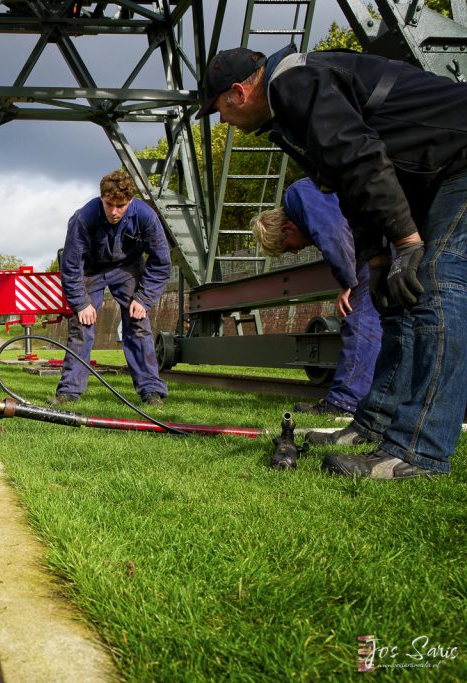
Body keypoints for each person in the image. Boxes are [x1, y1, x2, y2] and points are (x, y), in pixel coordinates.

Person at [197, 45, 467, 479]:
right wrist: (378, 261)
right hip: (435, 171)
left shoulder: (294, 83)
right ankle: (373, 424)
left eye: (217, 109)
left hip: (458, 161)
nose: (223, 121)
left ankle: (421, 451)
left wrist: (407, 239)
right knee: (393, 300)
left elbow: (362, 158)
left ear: (238, 92)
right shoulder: (290, 111)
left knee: (438, 279)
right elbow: (348, 185)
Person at [250, 178, 382, 417]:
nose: (296, 250)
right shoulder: (310, 196)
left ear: (287, 228)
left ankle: (345, 403)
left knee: (360, 321)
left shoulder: (297, 195)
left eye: (288, 247)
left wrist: (347, 283)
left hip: (385, 241)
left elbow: (333, 233)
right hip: (384, 239)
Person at [51, 168, 171, 406]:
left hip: (127, 267)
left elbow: (161, 262)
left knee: (138, 323)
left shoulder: (146, 217)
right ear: (101, 198)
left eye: (121, 206)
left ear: (131, 201)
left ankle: (151, 390)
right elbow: (71, 265)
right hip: (90, 270)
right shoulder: (84, 218)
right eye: (109, 205)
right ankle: (69, 391)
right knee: (81, 325)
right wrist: (81, 303)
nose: (114, 212)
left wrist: (143, 298)